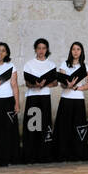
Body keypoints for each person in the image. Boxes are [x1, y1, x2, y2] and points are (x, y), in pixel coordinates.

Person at [20, 37, 57, 165]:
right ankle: (30, 155)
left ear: (47, 50)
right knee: (32, 126)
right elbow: (27, 83)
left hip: (45, 97)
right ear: (35, 49)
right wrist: (35, 85)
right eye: (39, 48)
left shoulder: (51, 65)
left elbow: (55, 83)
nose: (41, 51)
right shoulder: (29, 64)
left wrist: (45, 84)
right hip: (32, 97)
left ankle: (44, 155)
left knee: (44, 125)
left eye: (44, 48)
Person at [55, 42, 88, 161]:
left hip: (79, 100)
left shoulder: (84, 66)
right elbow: (61, 83)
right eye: (73, 49)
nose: (76, 52)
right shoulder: (64, 65)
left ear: (81, 51)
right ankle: (63, 154)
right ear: (70, 51)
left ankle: (78, 153)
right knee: (64, 128)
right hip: (66, 99)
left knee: (78, 128)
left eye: (78, 49)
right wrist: (68, 85)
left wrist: (76, 87)